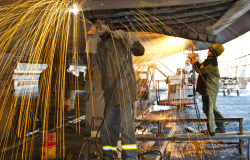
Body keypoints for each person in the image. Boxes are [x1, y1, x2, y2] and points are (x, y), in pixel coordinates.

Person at [85, 19, 145, 160]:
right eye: (98, 26)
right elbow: (90, 61)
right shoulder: (100, 47)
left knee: (126, 129)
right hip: (110, 94)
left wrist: (126, 36)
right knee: (107, 130)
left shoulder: (121, 41)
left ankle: (130, 157)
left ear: (109, 26)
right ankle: (108, 156)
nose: (100, 28)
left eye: (102, 25)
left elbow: (140, 51)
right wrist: (92, 38)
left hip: (126, 92)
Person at [189, 43, 225, 136]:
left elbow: (200, 70)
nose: (208, 50)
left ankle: (213, 130)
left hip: (210, 89)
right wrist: (194, 61)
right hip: (206, 89)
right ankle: (218, 128)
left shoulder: (212, 62)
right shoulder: (209, 61)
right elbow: (200, 67)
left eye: (210, 49)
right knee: (207, 109)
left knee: (210, 109)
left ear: (212, 52)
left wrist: (194, 59)